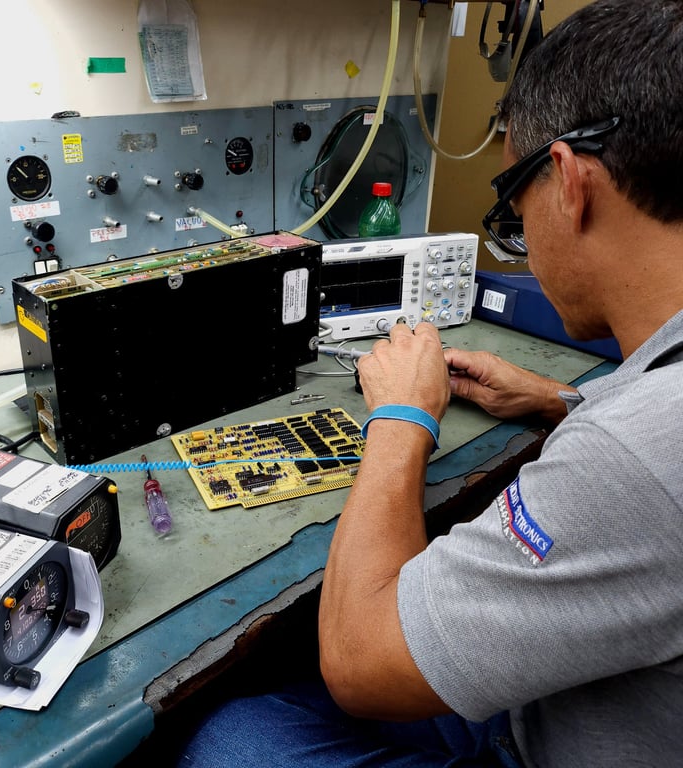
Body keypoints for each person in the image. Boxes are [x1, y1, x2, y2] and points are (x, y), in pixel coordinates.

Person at [172, 1, 683, 765]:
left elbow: (361, 665)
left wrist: (403, 418)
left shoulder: (632, 457)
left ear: (569, 182)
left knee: (232, 741)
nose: (520, 231)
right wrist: (562, 402)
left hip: (546, 740)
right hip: (583, 695)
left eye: (513, 203)